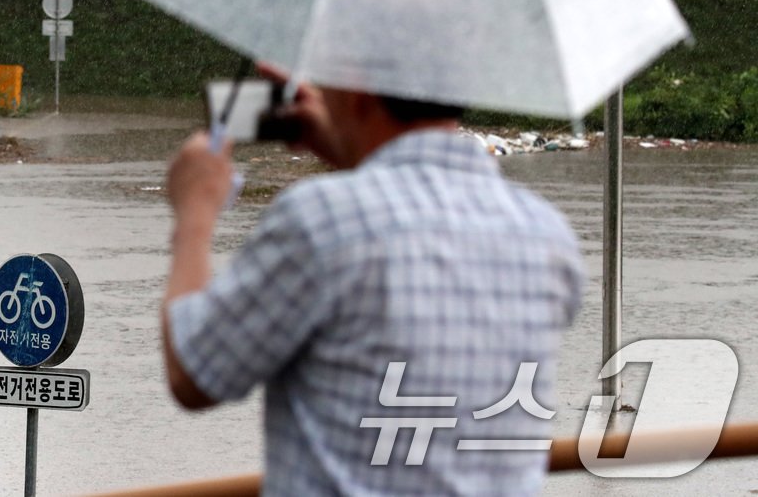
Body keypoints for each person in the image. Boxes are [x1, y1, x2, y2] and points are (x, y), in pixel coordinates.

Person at [162, 68, 584, 496]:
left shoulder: (319, 220)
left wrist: (195, 211)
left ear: (357, 91)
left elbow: (194, 373)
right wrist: (353, 146)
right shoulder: (548, 235)